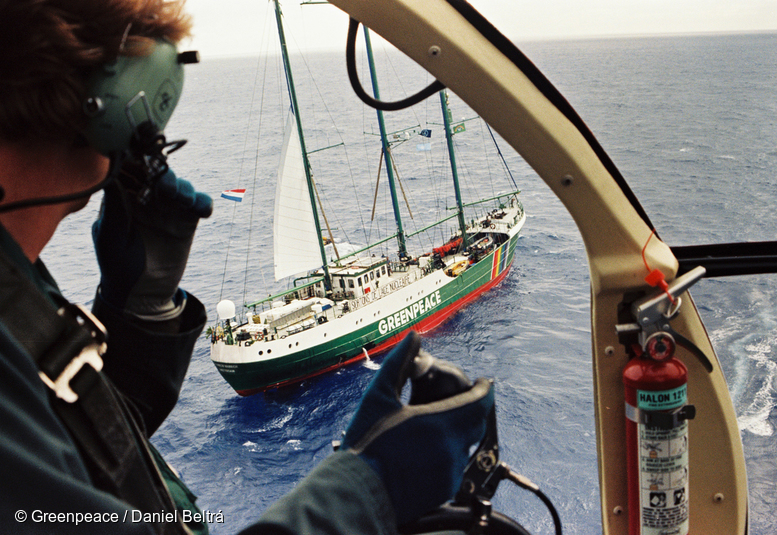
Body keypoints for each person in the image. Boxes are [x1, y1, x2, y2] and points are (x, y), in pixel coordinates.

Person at [0, 2, 494, 534]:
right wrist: (370, 488)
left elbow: (73, 449)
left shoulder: (18, 277)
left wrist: (141, 319)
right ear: (115, 103)